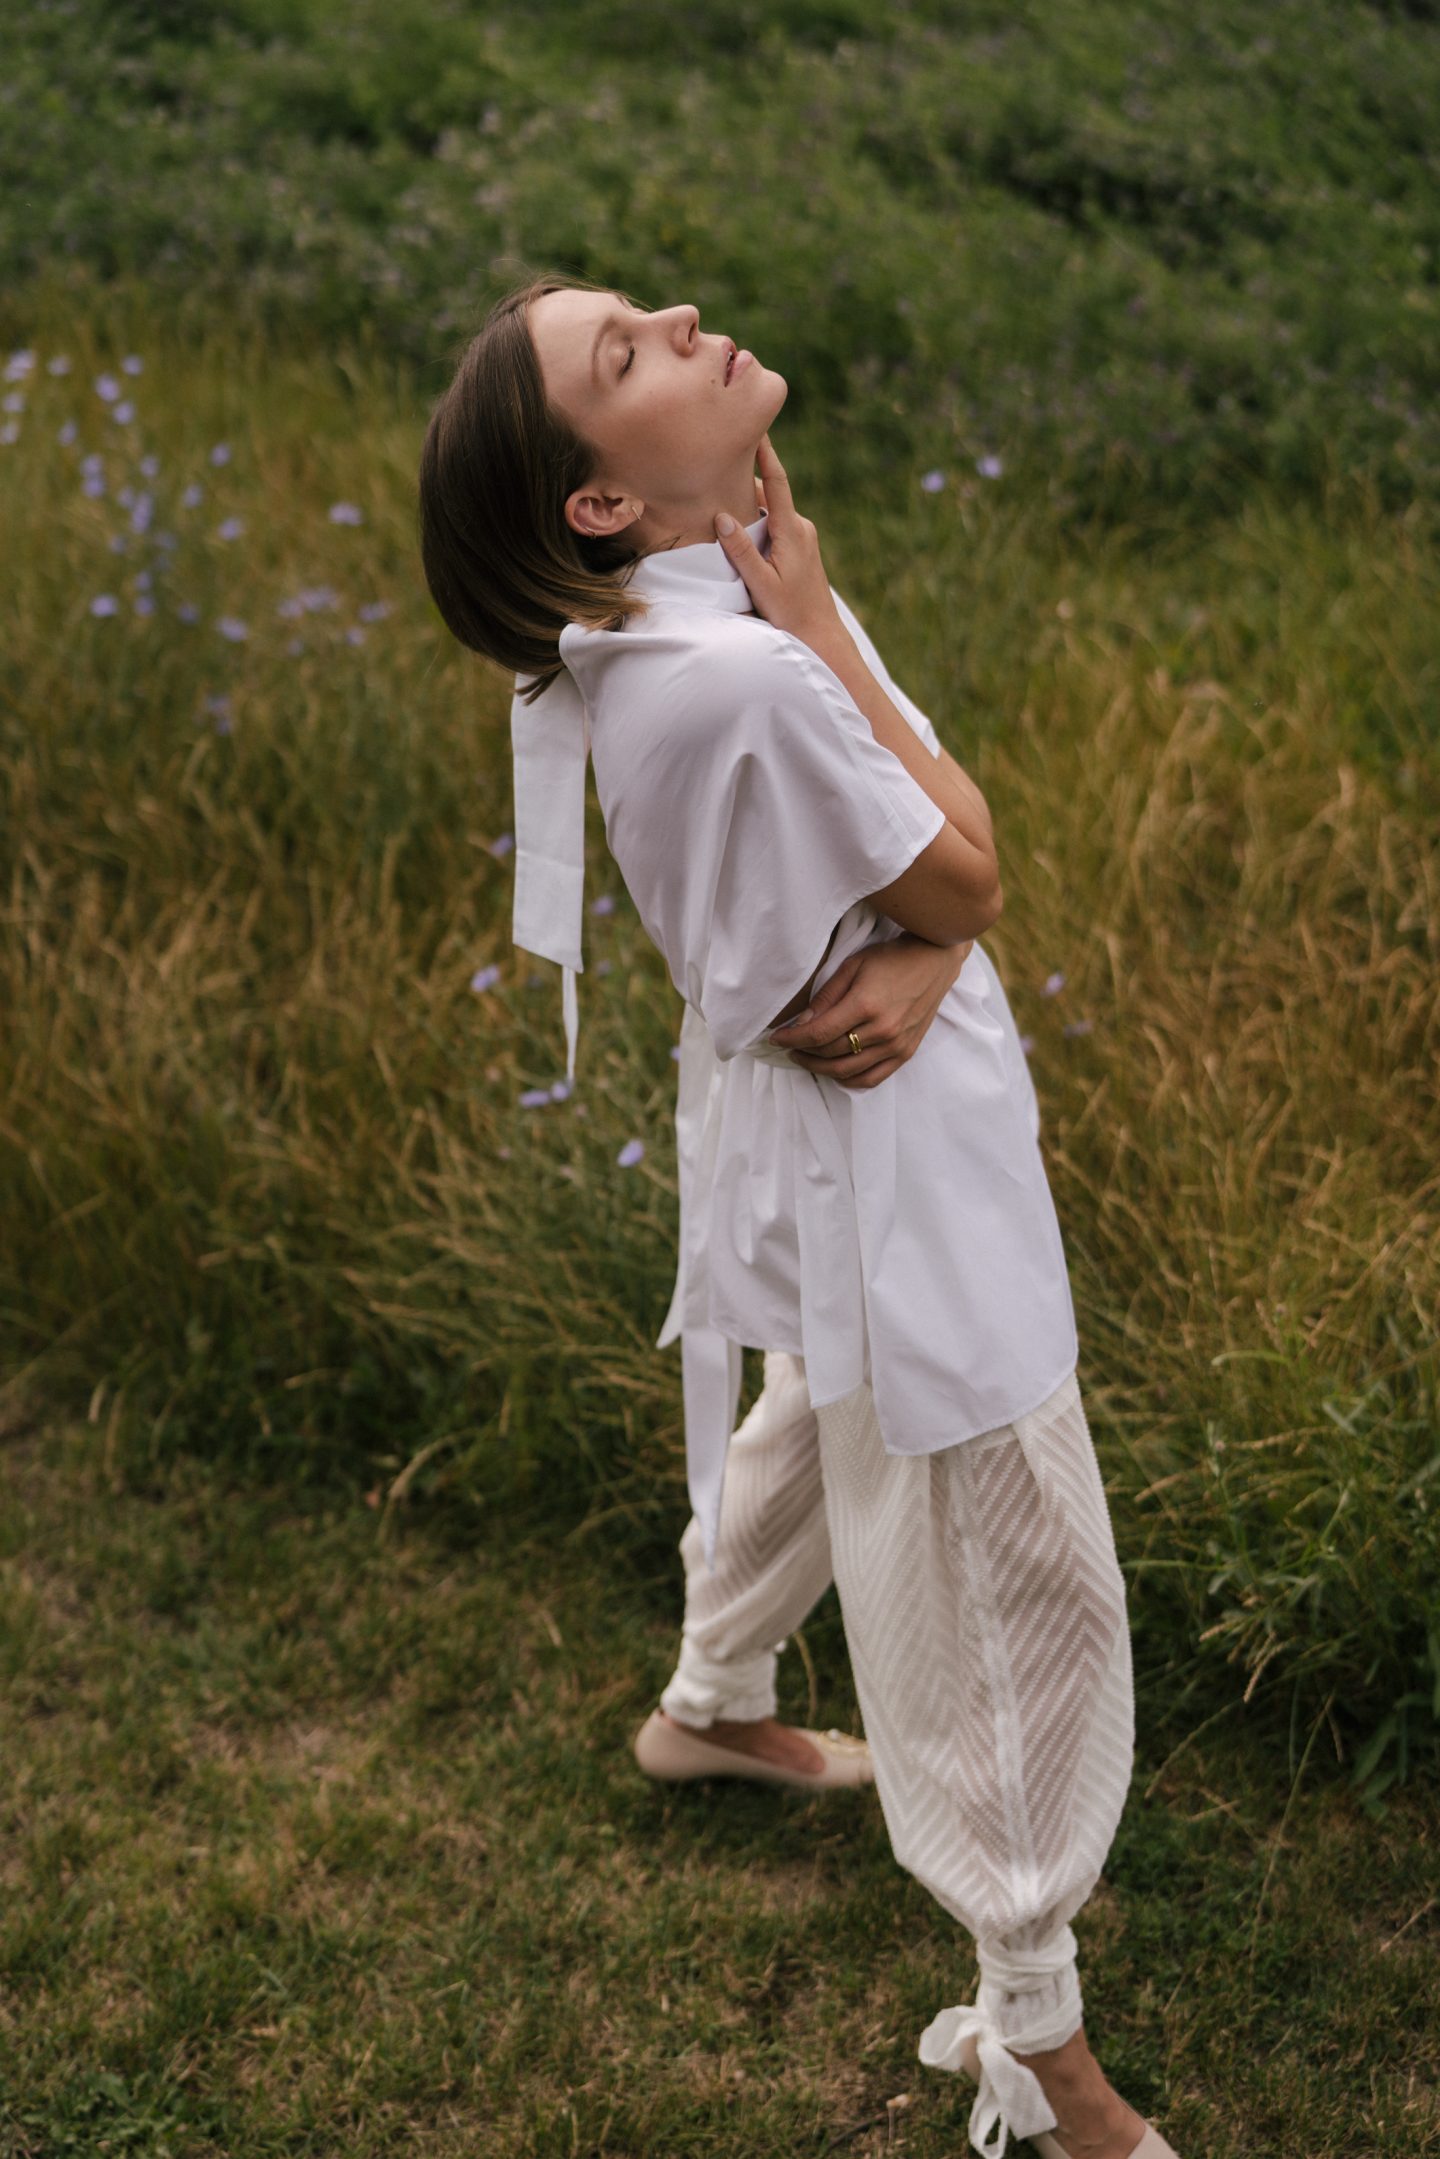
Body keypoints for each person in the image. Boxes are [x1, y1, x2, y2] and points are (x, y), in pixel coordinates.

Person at [417, 272, 1180, 2159]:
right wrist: (931, 924)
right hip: (885, 1153)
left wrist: (923, 944)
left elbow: (922, 887)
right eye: (630, 353)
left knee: (807, 1410)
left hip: (816, 1104)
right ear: (600, 499)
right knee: (1008, 1565)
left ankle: (710, 1696)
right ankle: (1041, 2041)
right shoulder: (756, 652)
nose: (679, 315)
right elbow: (975, 865)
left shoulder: (702, 607)